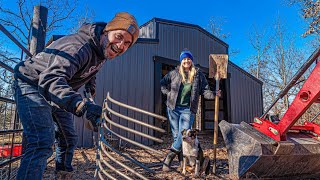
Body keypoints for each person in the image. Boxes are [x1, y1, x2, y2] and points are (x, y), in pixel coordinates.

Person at [12, 12, 139, 179]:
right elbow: (51, 79)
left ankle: (63, 174)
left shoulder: (101, 52)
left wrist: (90, 91)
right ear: (106, 31)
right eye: (119, 36)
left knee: (68, 137)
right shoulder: (79, 46)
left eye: (128, 43)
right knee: (41, 142)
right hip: (32, 83)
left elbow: (89, 72)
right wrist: (82, 106)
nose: (121, 45)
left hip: (56, 90)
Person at [161, 49, 219, 172]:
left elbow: (205, 90)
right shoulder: (174, 73)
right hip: (173, 108)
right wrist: (168, 93)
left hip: (188, 109)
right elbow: (162, 83)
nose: (186, 61)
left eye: (188, 58)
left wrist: (214, 94)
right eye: (184, 59)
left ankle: (169, 157)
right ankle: (183, 162)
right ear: (181, 61)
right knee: (177, 135)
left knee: (183, 135)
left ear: (191, 60)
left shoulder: (198, 75)